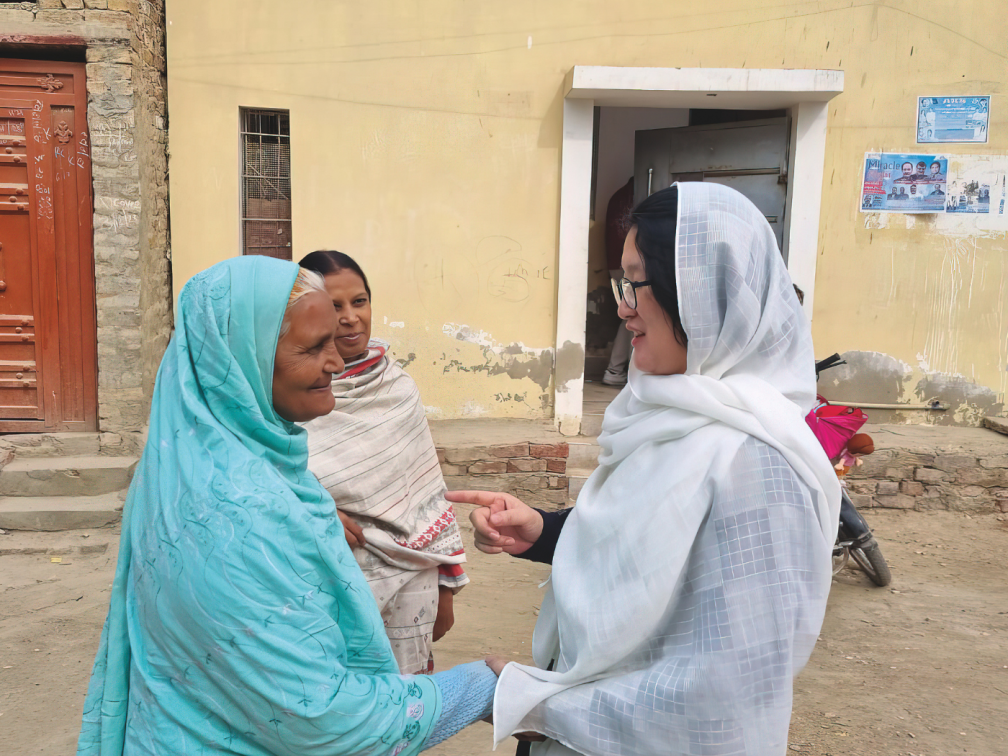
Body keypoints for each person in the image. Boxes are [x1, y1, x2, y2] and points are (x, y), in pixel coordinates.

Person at [449, 183, 841, 755]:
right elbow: (645, 541)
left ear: (701, 293)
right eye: (621, 283)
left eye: (636, 283)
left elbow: (728, 691)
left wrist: (541, 709)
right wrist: (543, 531)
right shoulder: (665, 415)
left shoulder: (758, 463)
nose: (622, 306)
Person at [77, 256, 502, 756]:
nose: (336, 363)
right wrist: (483, 687)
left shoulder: (194, 464)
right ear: (242, 359)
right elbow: (320, 718)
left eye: (334, 339)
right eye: (313, 347)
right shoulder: (240, 512)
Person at [298, 249, 468, 676]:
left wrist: (446, 586)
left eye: (359, 301)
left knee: (405, 699)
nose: (350, 317)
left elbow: (429, 493)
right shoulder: (292, 392)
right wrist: (313, 507)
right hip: (335, 579)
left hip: (415, 579)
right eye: (334, 306)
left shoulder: (397, 387)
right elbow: (271, 479)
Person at [602, 177, 635, 387]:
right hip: (633, 265)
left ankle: (617, 370)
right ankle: (617, 370)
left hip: (615, 264)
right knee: (634, 314)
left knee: (629, 313)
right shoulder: (642, 196)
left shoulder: (618, 196)